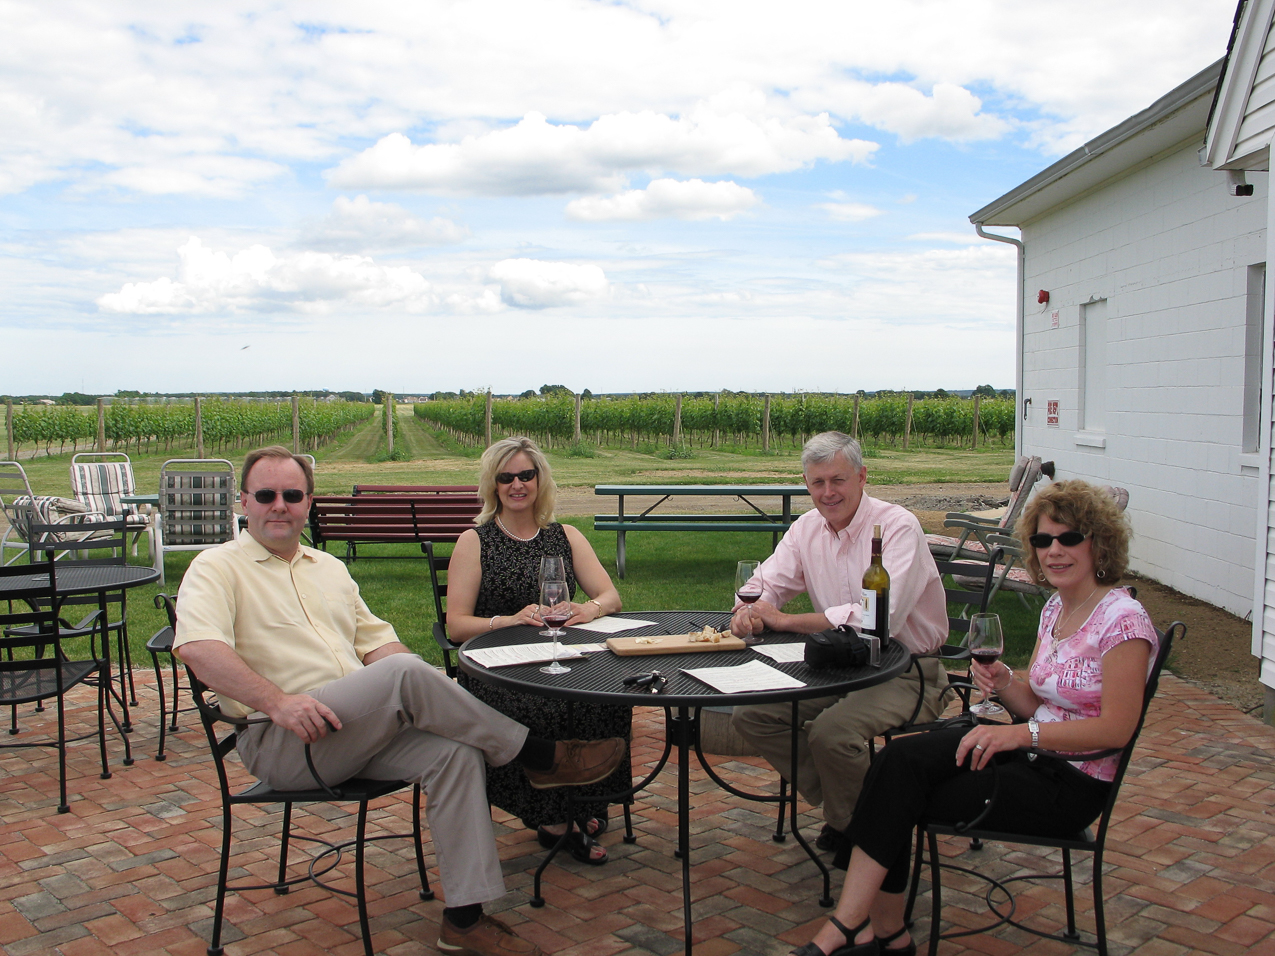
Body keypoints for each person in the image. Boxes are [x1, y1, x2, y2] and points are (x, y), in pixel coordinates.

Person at [174, 446, 626, 956]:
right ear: (245, 501)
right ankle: (541, 755)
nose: (280, 505)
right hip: (283, 738)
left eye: (292, 494)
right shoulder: (217, 566)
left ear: (308, 502)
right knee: (406, 673)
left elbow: (380, 645)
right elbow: (196, 646)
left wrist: (433, 702)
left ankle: (463, 919)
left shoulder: (327, 567)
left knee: (455, 751)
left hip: (350, 730)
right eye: (266, 495)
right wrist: (278, 702)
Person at [788, 479, 1159, 956]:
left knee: (901, 790)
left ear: (1098, 542)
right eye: (1043, 540)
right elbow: (1040, 702)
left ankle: (857, 931)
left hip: (1069, 783)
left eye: (1069, 538)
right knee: (896, 764)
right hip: (1033, 752)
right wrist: (1006, 683)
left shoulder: (1123, 619)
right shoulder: (1056, 609)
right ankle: (879, 933)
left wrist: (1021, 736)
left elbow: (1116, 729)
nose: (1054, 551)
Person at [731, 431, 950, 858]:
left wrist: (786, 619)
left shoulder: (897, 528)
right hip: (837, 667)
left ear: (862, 476)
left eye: (838, 480)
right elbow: (763, 584)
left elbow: (878, 621)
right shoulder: (807, 528)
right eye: (817, 483)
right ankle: (859, 811)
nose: (828, 493)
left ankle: (861, 832)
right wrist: (748, 610)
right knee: (752, 714)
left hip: (909, 670)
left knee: (831, 734)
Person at [446, 436, 628, 866]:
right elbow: (456, 626)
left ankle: (586, 804)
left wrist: (586, 608)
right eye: (506, 477)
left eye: (526, 475)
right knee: (544, 707)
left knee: (610, 697)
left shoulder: (563, 536)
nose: (517, 485)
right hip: (498, 668)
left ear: (539, 479)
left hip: (560, 653)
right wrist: (507, 620)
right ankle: (553, 820)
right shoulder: (475, 541)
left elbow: (610, 596)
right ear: (493, 485)